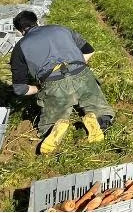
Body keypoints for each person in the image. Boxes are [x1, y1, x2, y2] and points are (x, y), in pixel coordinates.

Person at [9, 10, 115, 155]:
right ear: (37, 21)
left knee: (49, 124)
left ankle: (53, 129)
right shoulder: (61, 29)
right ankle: (99, 120)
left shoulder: (20, 48)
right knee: (100, 108)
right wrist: (77, 68)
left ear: (21, 31)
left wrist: (39, 87)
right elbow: (89, 51)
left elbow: (19, 89)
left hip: (54, 84)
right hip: (82, 76)